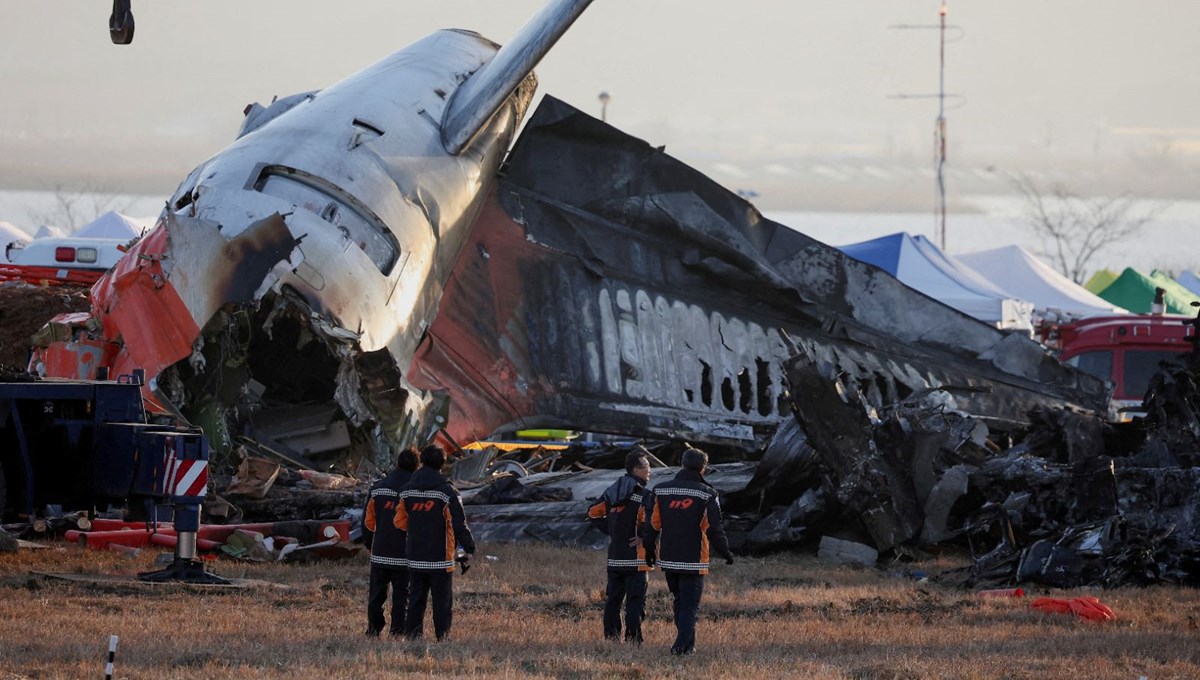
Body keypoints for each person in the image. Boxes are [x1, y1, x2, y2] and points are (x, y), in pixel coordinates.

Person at [641, 446, 734, 656]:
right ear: (704, 468)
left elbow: (652, 525)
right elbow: (714, 528)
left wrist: (649, 550)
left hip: (670, 558)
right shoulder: (707, 493)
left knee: (680, 602)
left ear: (682, 464)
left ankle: (689, 646)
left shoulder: (661, 490)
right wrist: (725, 552)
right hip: (694, 559)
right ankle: (680, 647)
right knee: (690, 606)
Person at [394, 444, 475, 641]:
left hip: (415, 555)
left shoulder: (406, 492)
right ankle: (442, 637)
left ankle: (413, 636)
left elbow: (399, 522)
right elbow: (459, 523)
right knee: (442, 601)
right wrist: (469, 548)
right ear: (442, 463)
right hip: (441, 559)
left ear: (422, 462)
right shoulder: (447, 491)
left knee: (415, 599)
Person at [587, 450, 653, 644]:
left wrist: (611, 531)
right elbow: (652, 521)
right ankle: (633, 640)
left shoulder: (611, 491)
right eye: (647, 467)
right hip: (636, 559)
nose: (650, 471)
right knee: (635, 601)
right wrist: (642, 535)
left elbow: (592, 512)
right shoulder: (643, 494)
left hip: (615, 556)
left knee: (613, 601)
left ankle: (611, 638)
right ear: (636, 469)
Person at [362, 447, 419, 636]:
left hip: (380, 551)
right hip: (405, 554)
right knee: (402, 596)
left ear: (396, 463)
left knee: (376, 595)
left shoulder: (378, 489)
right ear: (417, 466)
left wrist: (370, 544)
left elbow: (368, 523)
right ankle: (397, 631)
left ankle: (373, 629)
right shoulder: (416, 492)